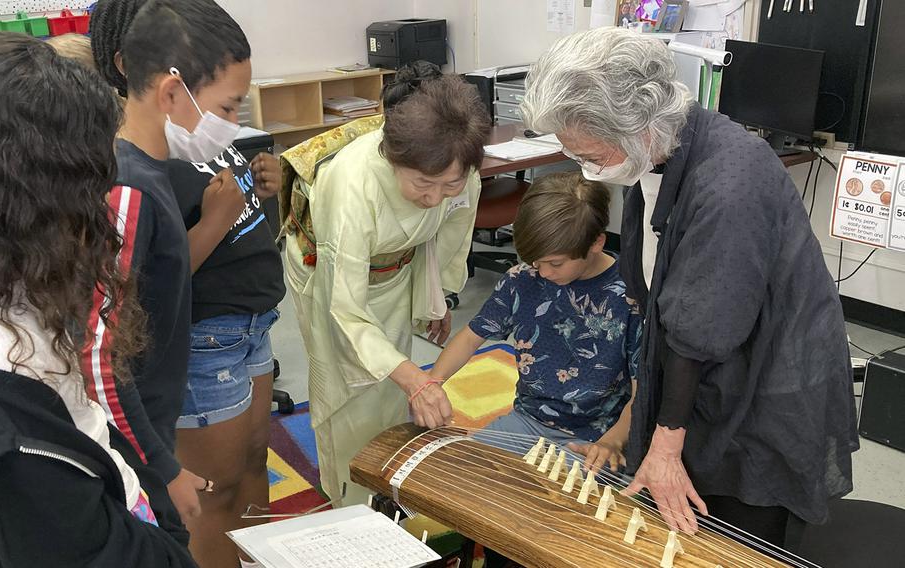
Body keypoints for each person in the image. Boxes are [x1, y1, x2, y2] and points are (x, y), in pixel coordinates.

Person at [521, 27, 858, 549]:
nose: (585, 167)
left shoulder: (731, 180)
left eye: (590, 152)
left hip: (768, 376)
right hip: (707, 363)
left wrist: (664, 445)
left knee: (736, 532)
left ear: (640, 125)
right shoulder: (657, 155)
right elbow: (665, 302)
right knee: (680, 515)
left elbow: (699, 327)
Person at [92, 2, 284, 566]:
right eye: (227, 107)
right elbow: (124, 324)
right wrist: (219, 219)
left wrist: (258, 186)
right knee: (211, 491)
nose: (233, 121)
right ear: (173, 93)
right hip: (201, 345)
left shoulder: (182, 143)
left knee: (251, 464)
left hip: (249, 325)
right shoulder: (128, 181)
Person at [0, 31, 196, 567]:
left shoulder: (32, 290)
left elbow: (87, 415)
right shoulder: (15, 430)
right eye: (91, 193)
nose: (100, 219)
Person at [282, 71, 491, 506]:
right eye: (423, 184)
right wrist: (415, 380)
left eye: (449, 184)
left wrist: (439, 298)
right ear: (393, 159)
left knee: (390, 388)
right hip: (326, 272)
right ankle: (347, 497)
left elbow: (451, 237)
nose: (435, 198)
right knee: (344, 389)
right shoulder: (354, 182)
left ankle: (386, 483)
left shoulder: (459, 169)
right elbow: (346, 306)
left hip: (398, 269)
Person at [430, 172, 641, 473]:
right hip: (528, 421)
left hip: (597, 437)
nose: (542, 273)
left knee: (556, 509)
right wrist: (432, 383)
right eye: (535, 262)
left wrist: (612, 442)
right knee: (462, 475)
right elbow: (470, 338)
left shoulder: (630, 295)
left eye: (554, 263)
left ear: (596, 242)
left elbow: (641, 393)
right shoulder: (522, 279)